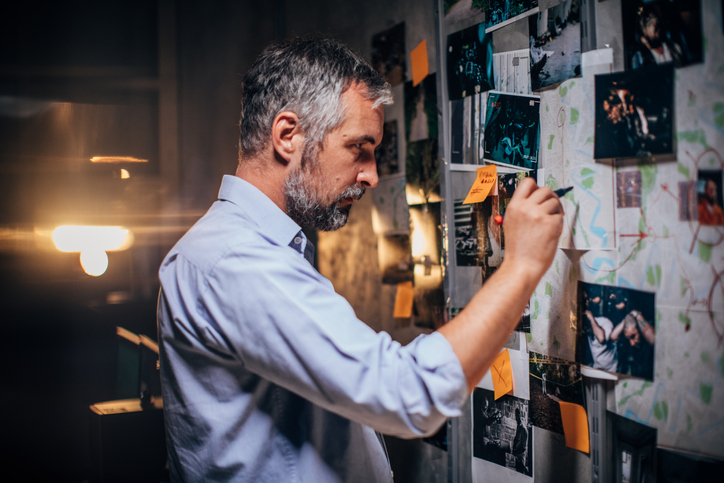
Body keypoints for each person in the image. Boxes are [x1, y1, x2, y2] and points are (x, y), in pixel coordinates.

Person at [157, 36, 563, 482]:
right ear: (288, 135)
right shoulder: (235, 260)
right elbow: (410, 394)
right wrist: (521, 266)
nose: (371, 175)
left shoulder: (255, 249)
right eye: (359, 148)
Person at [615, 310, 656, 379]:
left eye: (633, 336)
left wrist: (638, 315)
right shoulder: (630, 335)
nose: (632, 343)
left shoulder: (648, 336)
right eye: (629, 338)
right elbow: (613, 336)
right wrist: (626, 320)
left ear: (640, 330)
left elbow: (654, 339)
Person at [512, 407, 529, 474]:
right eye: (515, 416)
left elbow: (523, 447)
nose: (516, 418)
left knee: (521, 472)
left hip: (521, 457)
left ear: (520, 416)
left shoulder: (523, 429)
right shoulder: (518, 426)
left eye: (517, 415)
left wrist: (517, 453)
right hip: (517, 456)